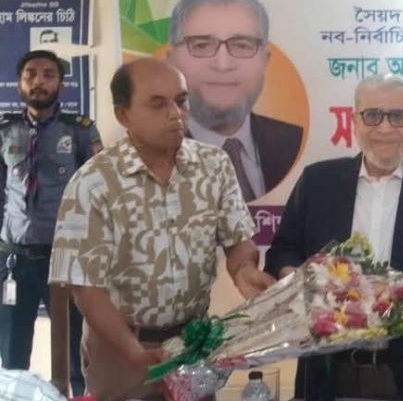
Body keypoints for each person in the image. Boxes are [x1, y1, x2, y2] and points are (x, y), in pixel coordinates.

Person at [48, 58, 275, 401]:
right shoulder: (93, 183)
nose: (176, 114)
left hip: (195, 343)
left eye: (181, 101)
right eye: (157, 104)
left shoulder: (214, 167)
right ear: (123, 115)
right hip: (119, 350)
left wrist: (244, 270)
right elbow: (85, 288)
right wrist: (134, 351)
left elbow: (237, 241)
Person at [265, 73, 403, 401]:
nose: (384, 128)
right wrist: (301, 281)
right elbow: (283, 251)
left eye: (397, 116)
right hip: (329, 372)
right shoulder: (317, 182)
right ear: (354, 121)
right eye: (372, 115)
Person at [0, 50, 101, 396]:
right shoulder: (5, 131)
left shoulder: (80, 130)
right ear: (19, 83)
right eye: (31, 74)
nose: (39, 81)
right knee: (12, 352)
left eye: (48, 74)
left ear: (61, 84)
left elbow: (98, 193)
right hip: (14, 260)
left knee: (75, 351)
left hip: (66, 261)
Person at [167, 0, 303, 201]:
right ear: (171, 61)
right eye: (201, 45)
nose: (223, 65)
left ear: (265, 62)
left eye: (242, 45)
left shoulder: (292, 141)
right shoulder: (155, 154)